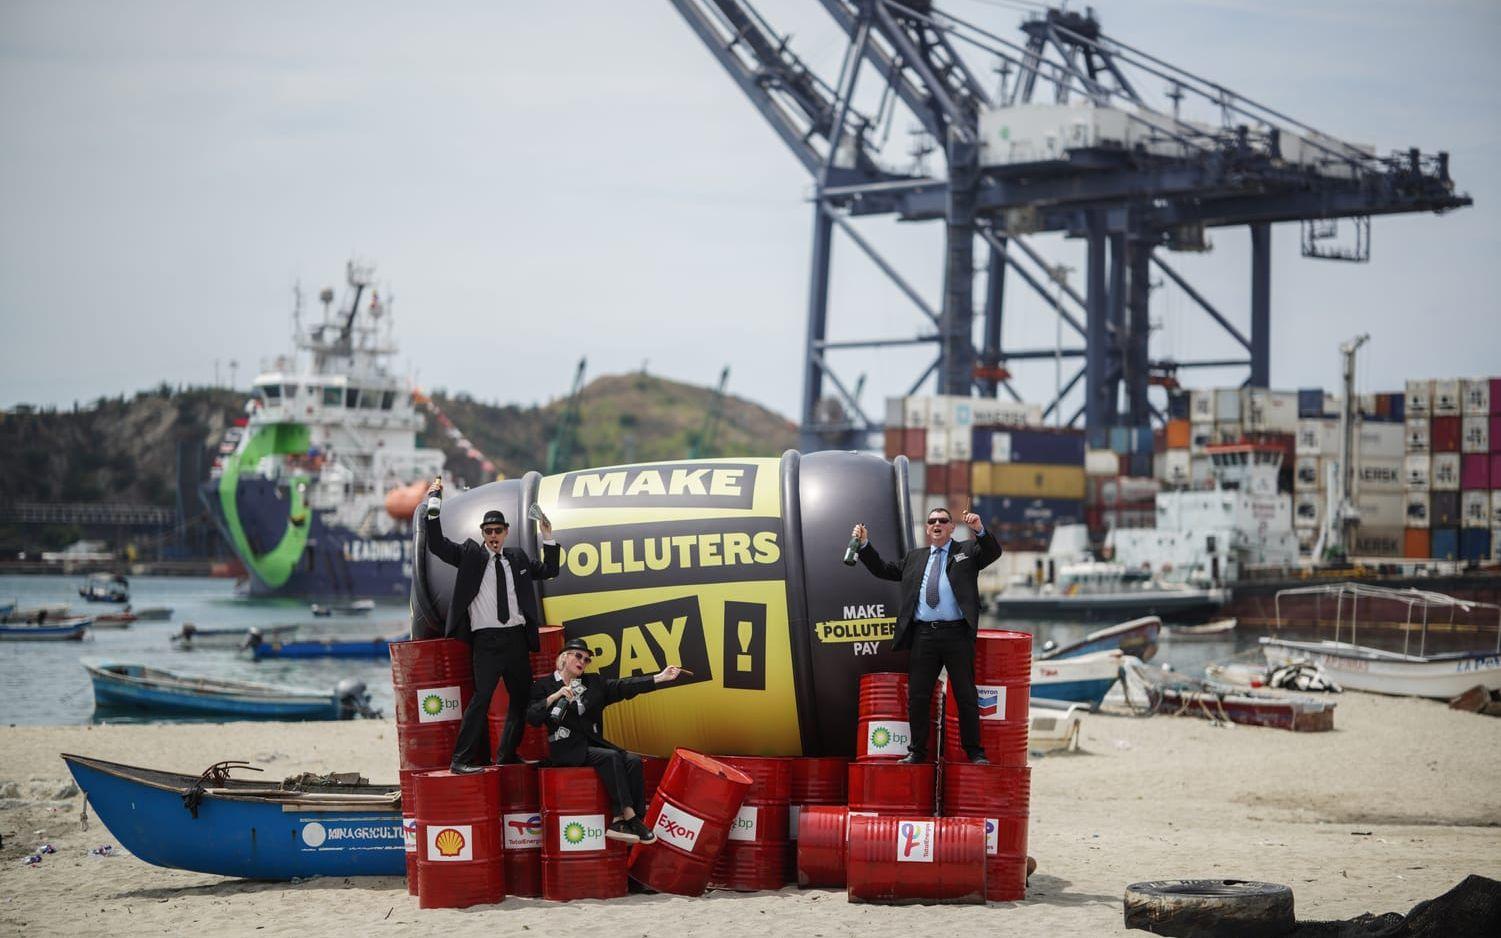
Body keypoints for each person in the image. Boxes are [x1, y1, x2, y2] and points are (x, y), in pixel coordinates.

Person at [424, 478, 560, 773]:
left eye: (498, 531)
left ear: (507, 532)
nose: (494, 536)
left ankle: (507, 754)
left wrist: (548, 537)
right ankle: (460, 760)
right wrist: (434, 504)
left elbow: (550, 570)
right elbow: (436, 544)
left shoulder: (517, 557)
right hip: (486, 642)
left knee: (522, 699)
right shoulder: (470, 555)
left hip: (516, 639)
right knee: (481, 700)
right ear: (483, 534)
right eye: (489, 531)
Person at [852, 505, 1001, 765]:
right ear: (927, 527)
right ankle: (917, 752)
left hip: (957, 634)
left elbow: (993, 552)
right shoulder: (915, 558)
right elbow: (883, 570)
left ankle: (975, 752)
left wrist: (979, 529)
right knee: (918, 696)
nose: (937, 524)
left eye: (943, 520)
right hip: (924, 636)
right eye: (932, 520)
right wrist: (864, 546)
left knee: (965, 694)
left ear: (952, 527)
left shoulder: (966, 551)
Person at [528, 638, 685, 844]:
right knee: (610, 757)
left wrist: (659, 678)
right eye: (578, 656)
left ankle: (626, 820)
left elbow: (624, 687)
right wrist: (555, 696)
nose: (583, 661)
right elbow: (532, 717)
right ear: (564, 657)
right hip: (567, 749)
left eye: (587, 659)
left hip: (593, 744)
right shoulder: (544, 685)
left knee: (632, 760)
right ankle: (629, 817)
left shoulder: (593, 683)